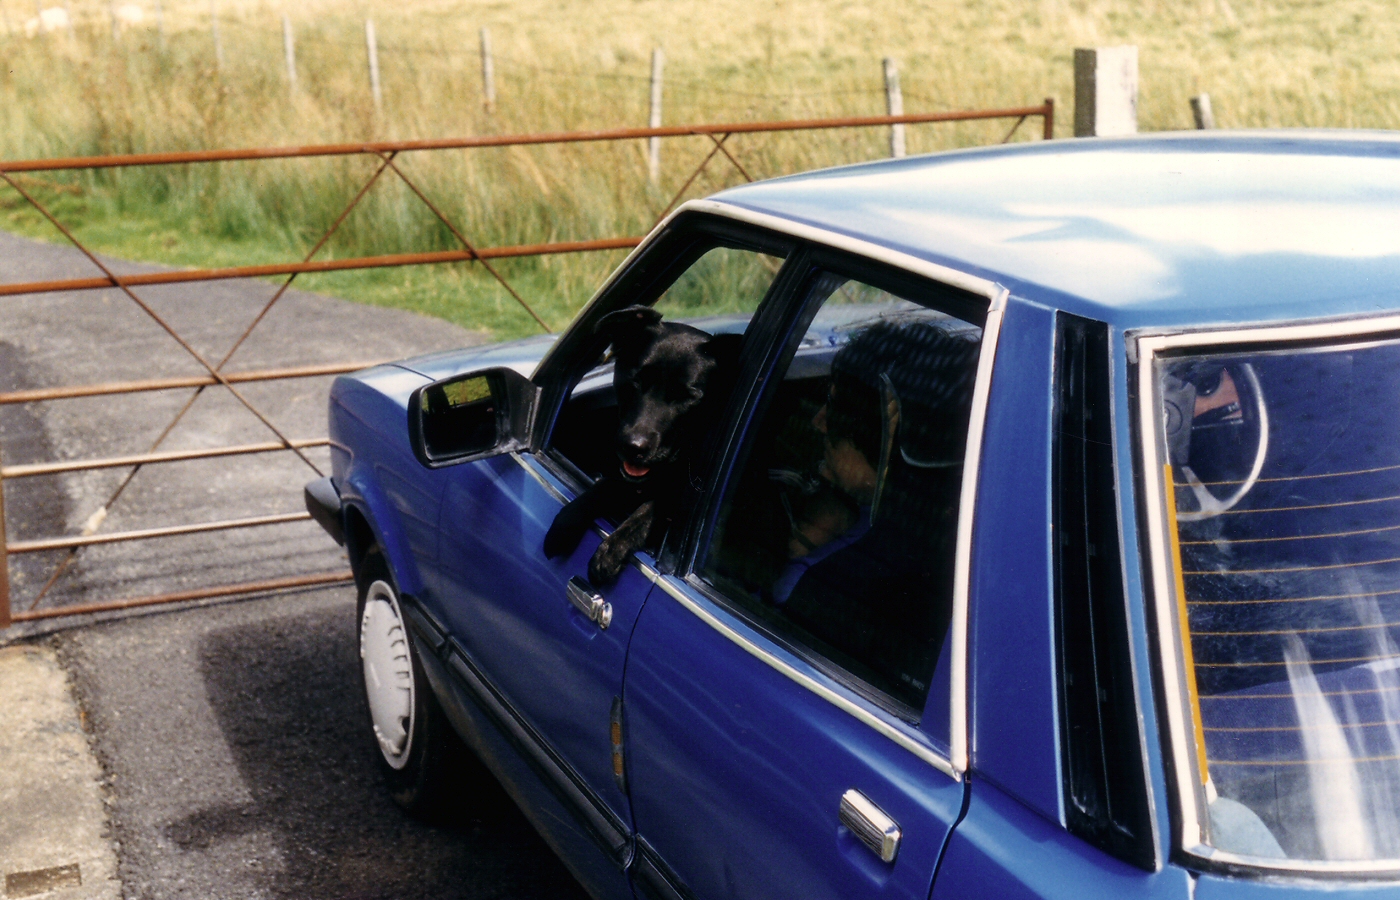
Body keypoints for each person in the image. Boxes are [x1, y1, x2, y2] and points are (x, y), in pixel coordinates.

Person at [771, 319, 980, 702]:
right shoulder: (975, 539)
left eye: (833, 406)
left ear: (883, 430)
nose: (818, 421)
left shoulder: (835, 594)